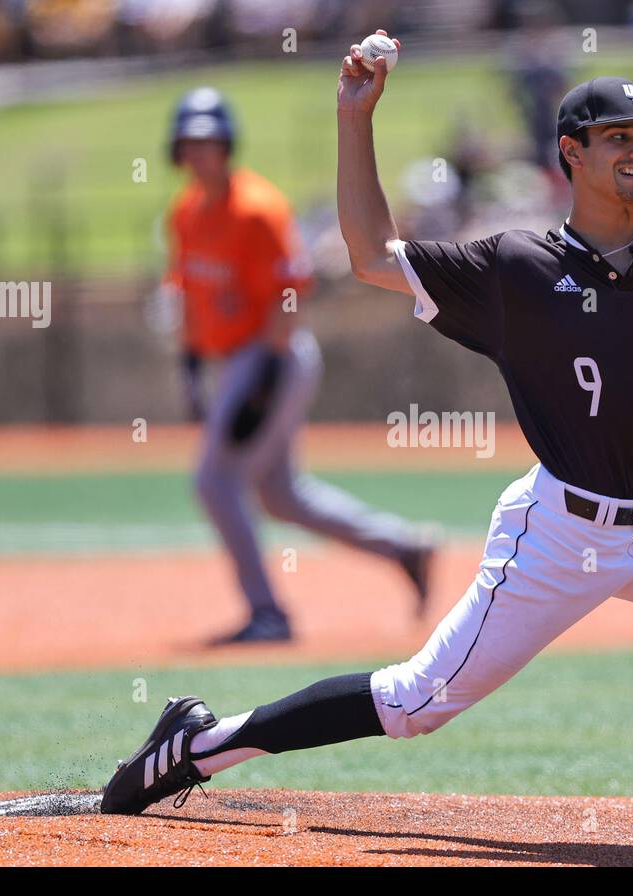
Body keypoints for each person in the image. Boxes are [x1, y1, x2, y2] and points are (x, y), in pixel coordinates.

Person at [100, 45, 633, 867]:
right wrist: (353, 114)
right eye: (618, 137)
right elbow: (369, 255)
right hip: (556, 533)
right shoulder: (517, 268)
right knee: (413, 704)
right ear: (570, 154)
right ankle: (200, 745)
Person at [163, 87, 434, 644]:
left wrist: (260, 386)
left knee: (215, 482)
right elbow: (187, 298)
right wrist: (191, 371)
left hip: (272, 358)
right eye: (189, 143)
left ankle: (269, 615)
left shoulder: (257, 209)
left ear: (227, 145)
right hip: (229, 363)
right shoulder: (186, 213)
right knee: (280, 496)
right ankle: (402, 545)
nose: (198, 153)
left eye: (208, 142)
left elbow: (290, 300)